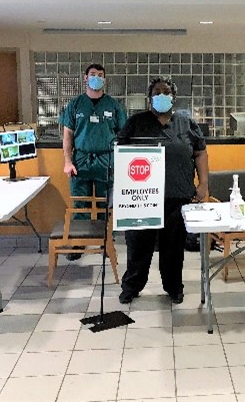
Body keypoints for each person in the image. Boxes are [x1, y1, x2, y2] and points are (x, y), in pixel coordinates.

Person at [118, 77, 209, 304]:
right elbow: (120, 153)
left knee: (173, 247)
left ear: (173, 97)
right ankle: (131, 286)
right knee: (138, 245)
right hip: (141, 197)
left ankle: (173, 287)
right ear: (150, 98)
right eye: (156, 92)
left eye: (165, 92)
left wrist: (203, 183)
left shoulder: (186, 124)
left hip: (177, 195)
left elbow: (200, 153)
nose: (161, 95)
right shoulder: (136, 123)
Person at [60, 63, 127, 260]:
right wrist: (67, 161)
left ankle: (106, 242)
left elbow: (123, 136)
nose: (96, 77)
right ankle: (77, 244)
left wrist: (120, 164)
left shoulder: (114, 106)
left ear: (104, 80)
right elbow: (67, 136)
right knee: (80, 205)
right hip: (80, 161)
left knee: (106, 205)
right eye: (92, 74)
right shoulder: (75, 105)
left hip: (107, 161)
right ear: (85, 78)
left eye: (100, 75)